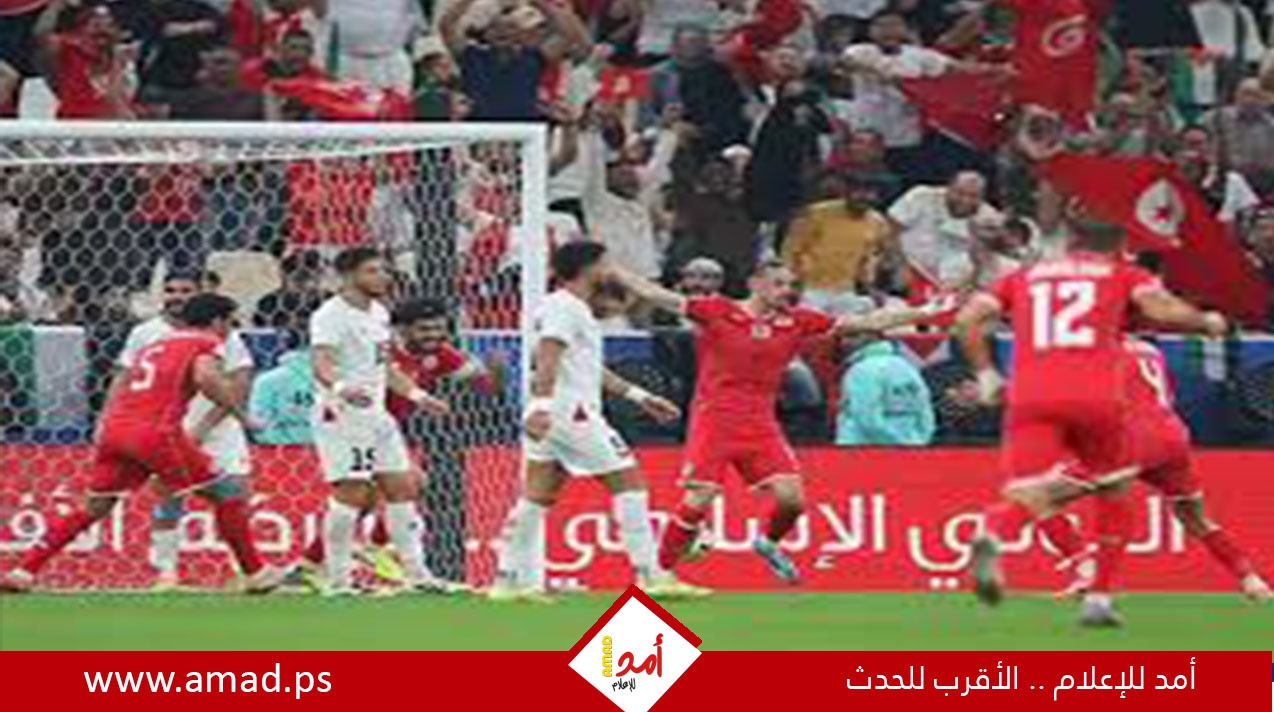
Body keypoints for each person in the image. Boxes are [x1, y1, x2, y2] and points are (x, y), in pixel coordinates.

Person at [954, 216, 1230, 626]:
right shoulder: (1120, 274)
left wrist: (986, 375)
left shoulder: (1025, 277)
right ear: (1116, 245)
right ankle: (1099, 597)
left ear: (1069, 240)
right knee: (1114, 486)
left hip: (1031, 395)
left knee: (1032, 491)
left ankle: (993, 532)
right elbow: (1160, 308)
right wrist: (1205, 321)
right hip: (1094, 395)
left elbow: (966, 320)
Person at [616, 258, 938, 582]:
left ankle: (767, 542)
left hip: (760, 422)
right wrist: (612, 270)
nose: (787, 291)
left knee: (792, 500)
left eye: (791, 285)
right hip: (716, 418)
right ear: (755, 283)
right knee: (700, 498)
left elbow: (866, 322)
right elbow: (654, 294)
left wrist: (923, 312)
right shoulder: (718, 310)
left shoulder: (797, 320)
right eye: (778, 284)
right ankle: (659, 573)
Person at [1, 294, 281, 593]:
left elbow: (126, 380)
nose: (231, 329)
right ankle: (256, 572)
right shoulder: (205, 342)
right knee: (228, 492)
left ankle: (24, 570)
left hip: (117, 430)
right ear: (217, 321)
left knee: (94, 506)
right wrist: (241, 415)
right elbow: (205, 378)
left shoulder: (157, 343)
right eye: (230, 321)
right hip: (155, 433)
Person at [490, 243, 703, 601]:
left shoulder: (570, 308)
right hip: (569, 412)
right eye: (606, 262)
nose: (611, 269)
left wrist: (639, 396)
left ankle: (506, 580)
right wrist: (541, 406)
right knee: (629, 483)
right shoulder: (564, 307)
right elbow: (548, 355)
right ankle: (651, 576)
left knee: (538, 495)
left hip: (556, 411)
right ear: (589, 267)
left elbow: (586, 366)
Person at [289, 297, 499, 591]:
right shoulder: (380, 353)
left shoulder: (439, 354)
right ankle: (344, 564)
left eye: (438, 329)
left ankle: (335, 560)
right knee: (369, 493)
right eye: (424, 330)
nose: (433, 336)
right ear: (401, 330)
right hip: (350, 423)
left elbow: (482, 381)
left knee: (402, 487)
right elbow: (331, 368)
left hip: (385, 428)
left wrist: (489, 372)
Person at [1043, 339, 1272, 603]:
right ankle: (1251, 580)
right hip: (1171, 436)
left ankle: (1086, 568)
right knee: (1195, 519)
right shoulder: (1148, 349)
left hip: (1131, 438)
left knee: (1041, 497)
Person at [307, 246, 454, 596]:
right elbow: (321, 362)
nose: (383, 277)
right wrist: (341, 388)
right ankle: (338, 580)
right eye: (372, 271)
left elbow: (384, 367)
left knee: (403, 486)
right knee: (352, 493)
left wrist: (418, 395)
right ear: (348, 276)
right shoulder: (330, 315)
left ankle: (417, 574)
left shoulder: (379, 313)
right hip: (343, 414)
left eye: (384, 270)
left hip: (376, 413)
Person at [111, 271, 255, 591]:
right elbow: (124, 378)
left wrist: (204, 427)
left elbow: (240, 382)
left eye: (185, 290)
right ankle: (166, 573)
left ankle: (243, 570)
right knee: (168, 495)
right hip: (165, 427)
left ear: (200, 293)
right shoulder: (145, 333)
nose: (177, 296)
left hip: (220, 427)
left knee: (237, 494)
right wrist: (108, 418)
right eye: (170, 290)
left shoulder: (226, 335)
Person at [782, 173, 889, 315]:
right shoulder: (816, 213)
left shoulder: (877, 223)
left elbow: (869, 260)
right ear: (846, 192)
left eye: (870, 193)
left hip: (846, 291)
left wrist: (870, 288)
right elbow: (790, 251)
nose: (864, 197)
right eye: (858, 192)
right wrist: (791, 284)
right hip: (809, 289)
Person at [836, 335, 935, 446]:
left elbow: (866, 417)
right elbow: (924, 410)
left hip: (864, 445)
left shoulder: (862, 370)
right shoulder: (907, 367)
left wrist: (891, 442)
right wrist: (919, 440)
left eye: (850, 335)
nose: (843, 341)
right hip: (911, 441)